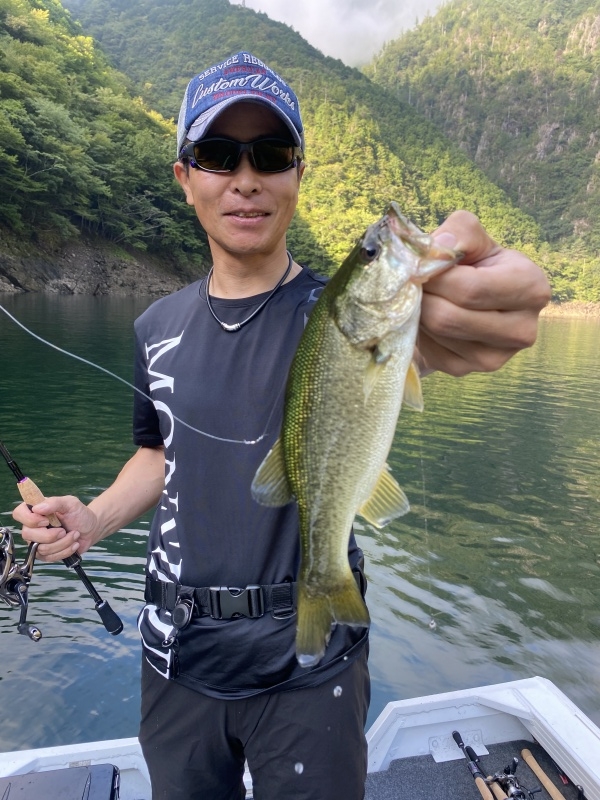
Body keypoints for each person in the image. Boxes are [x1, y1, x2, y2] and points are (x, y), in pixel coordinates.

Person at [12, 51, 551, 800]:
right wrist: (93, 519)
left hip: (311, 666)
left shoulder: (345, 316)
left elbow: (454, 328)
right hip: (175, 655)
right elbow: (159, 453)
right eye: (217, 154)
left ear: (298, 173)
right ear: (185, 176)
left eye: (270, 154)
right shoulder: (154, 327)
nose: (246, 178)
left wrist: (484, 302)